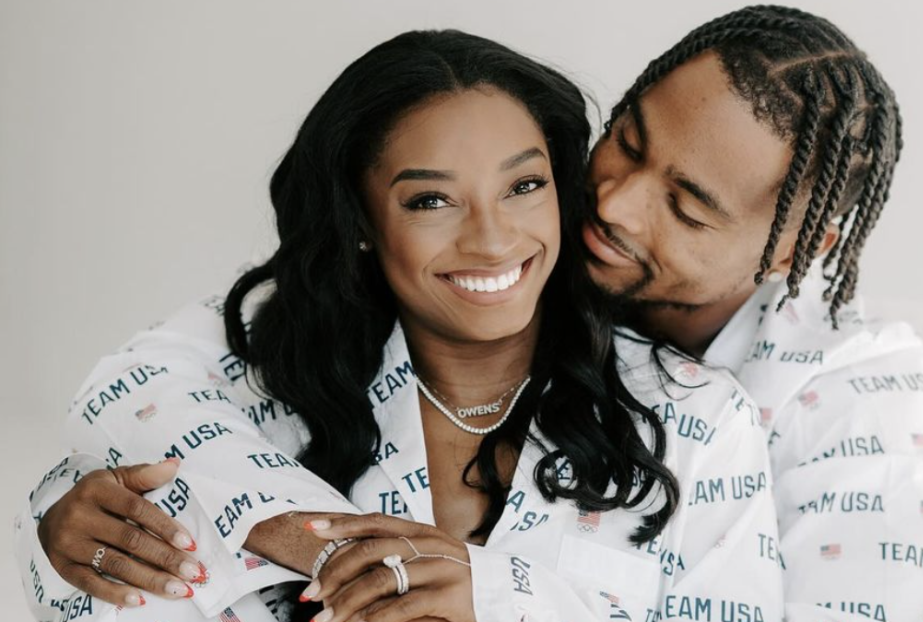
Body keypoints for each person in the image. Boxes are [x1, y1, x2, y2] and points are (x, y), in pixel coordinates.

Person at [14, 29, 783, 622]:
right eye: (430, 201)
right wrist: (57, 536)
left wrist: (502, 596)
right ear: (361, 222)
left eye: (523, 184)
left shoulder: (698, 424)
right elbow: (122, 401)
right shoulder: (251, 371)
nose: (491, 238)